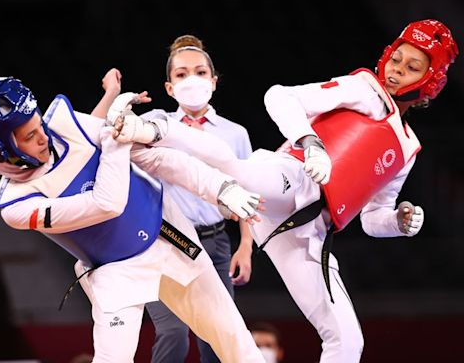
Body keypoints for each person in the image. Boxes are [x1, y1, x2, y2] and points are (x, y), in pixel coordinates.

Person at [112, 19, 459, 363]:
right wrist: (311, 144)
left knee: (347, 341)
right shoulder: (364, 90)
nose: (397, 70)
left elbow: (371, 219)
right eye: (397, 58)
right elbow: (279, 96)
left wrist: (398, 221)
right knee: (235, 169)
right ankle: (150, 128)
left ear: (430, 81)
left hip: (308, 231)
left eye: (412, 67)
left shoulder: (408, 149)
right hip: (292, 177)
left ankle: (149, 135)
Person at [0, 69, 268, 363]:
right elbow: (107, 204)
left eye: (39, 125)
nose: (43, 137)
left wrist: (221, 188)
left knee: (235, 341)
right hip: (114, 271)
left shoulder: (67, 126)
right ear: (0, 147)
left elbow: (157, 158)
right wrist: (113, 138)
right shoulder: (17, 205)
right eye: (30, 136)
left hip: (167, 232)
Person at [139, 34, 255, 363]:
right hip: (165, 242)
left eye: (200, 72)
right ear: (169, 87)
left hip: (215, 244)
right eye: (181, 74)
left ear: (214, 82)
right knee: (174, 335)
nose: (192, 79)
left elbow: (246, 192)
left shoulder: (235, 133)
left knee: (217, 341)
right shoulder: (156, 127)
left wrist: (245, 247)